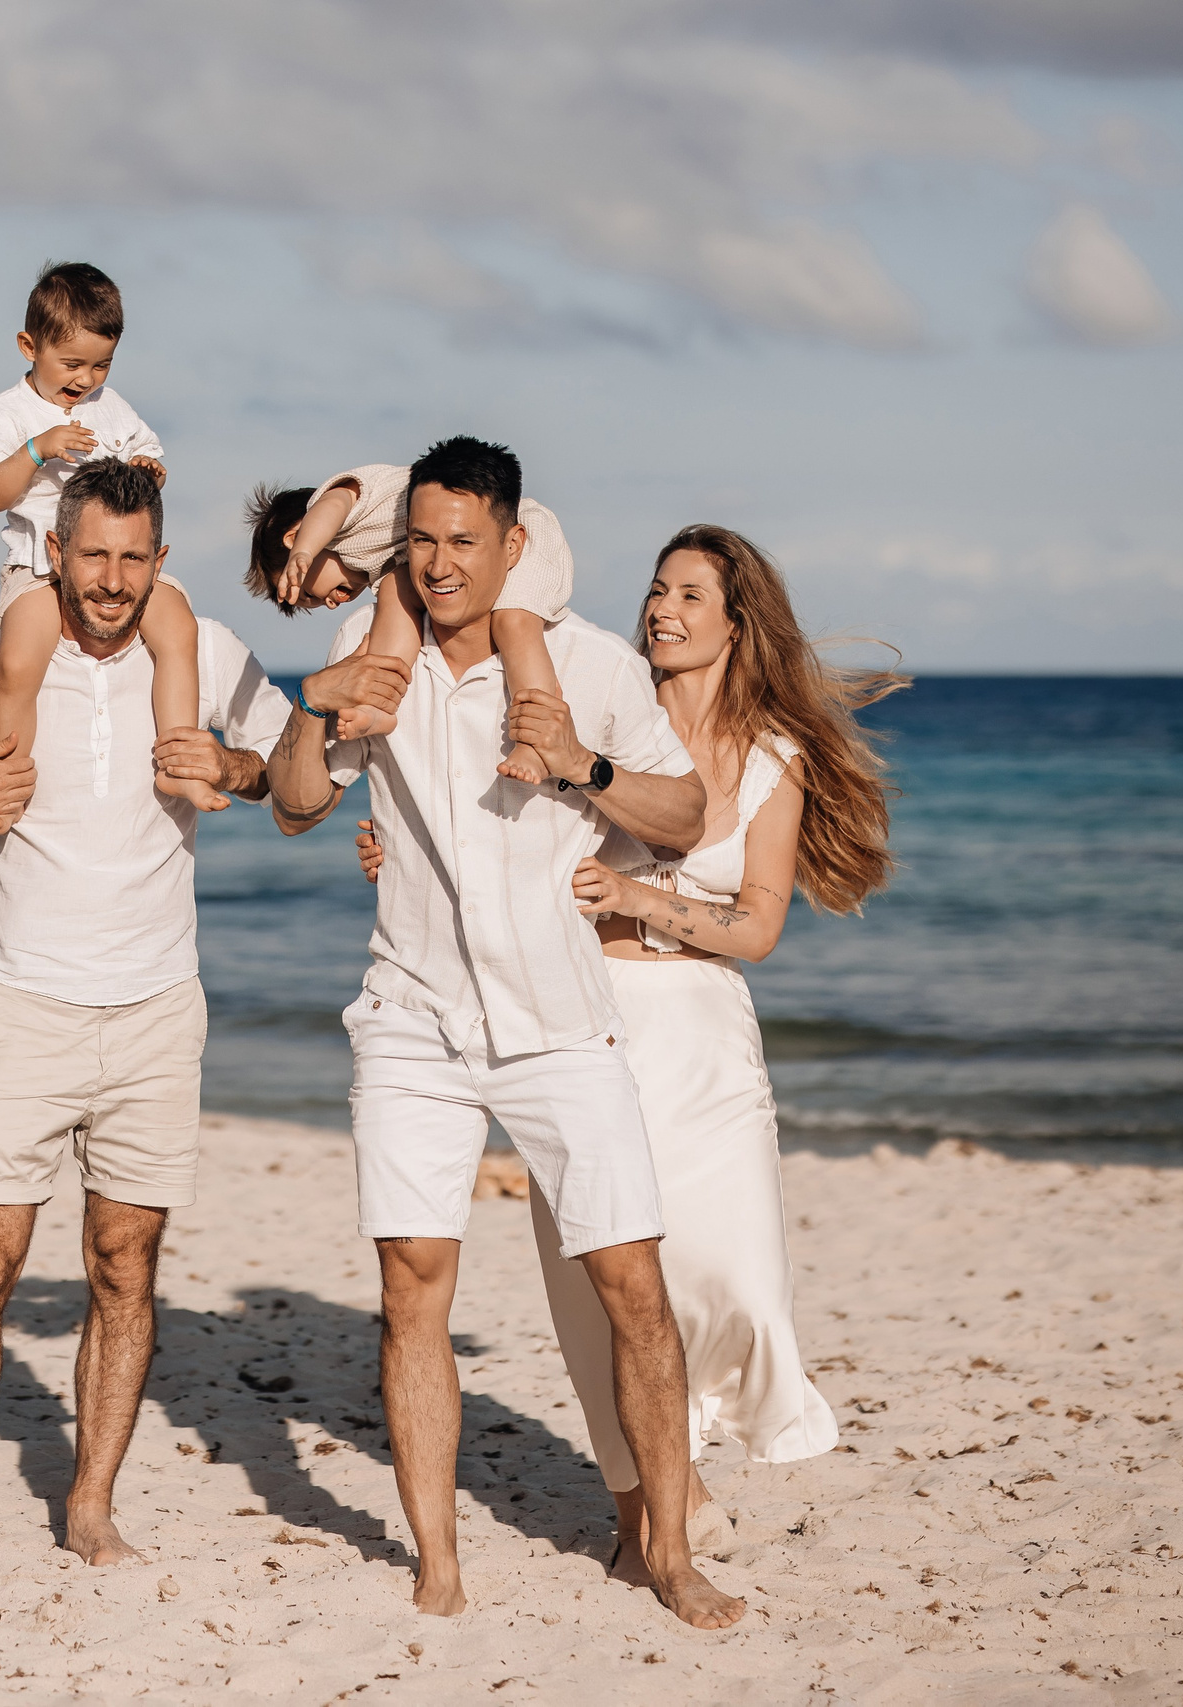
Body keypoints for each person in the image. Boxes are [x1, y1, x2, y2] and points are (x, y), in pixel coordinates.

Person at [265, 435, 744, 1630]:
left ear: (513, 547)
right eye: (419, 539)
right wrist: (313, 712)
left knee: (632, 1283)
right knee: (411, 1283)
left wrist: (579, 766)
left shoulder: (585, 663)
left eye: (462, 542)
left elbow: (683, 813)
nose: (436, 564)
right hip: (412, 1012)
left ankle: (668, 1554)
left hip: (555, 1019)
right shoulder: (367, 651)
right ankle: (437, 1562)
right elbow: (293, 808)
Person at [0, 458, 292, 1580]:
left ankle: (89, 1505)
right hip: (22, 997)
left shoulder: (205, 650)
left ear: (158, 561)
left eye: (134, 558)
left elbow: (295, 764)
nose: (113, 581)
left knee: (126, 1263)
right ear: (56, 554)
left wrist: (231, 763)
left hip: (158, 1004)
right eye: (94, 556)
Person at [553, 524, 904, 1570]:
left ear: (736, 624)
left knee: (733, 1275)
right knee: (599, 1290)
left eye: (689, 596)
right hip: (585, 1024)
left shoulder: (769, 761)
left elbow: (755, 928)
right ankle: (648, 1506)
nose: (662, 609)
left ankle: (687, 1453)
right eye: (657, 590)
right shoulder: (605, 716)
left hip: (699, 1035)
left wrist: (639, 895)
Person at [0, 261, 224, 813]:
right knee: (17, 663)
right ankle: (5, 786)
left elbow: (149, 457)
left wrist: (145, 468)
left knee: (178, 629)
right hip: (38, 565)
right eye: (72, 363)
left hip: (111, 560)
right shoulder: (8, 411)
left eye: (102, 364)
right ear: (28, 346)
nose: (86, 379)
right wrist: (38, 449)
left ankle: (177, 762)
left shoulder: (111, 407)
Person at [242, 467, 573, 781]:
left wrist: (304, 550)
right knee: (394, 594)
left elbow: (331, 506)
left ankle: (534, 745)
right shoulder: (386, 567)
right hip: (471, 549)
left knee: (514, 624)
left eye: (307, 593)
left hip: (524, 533)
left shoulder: (349, 504)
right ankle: (380, 706)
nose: (328, 603)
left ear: (295, 536)